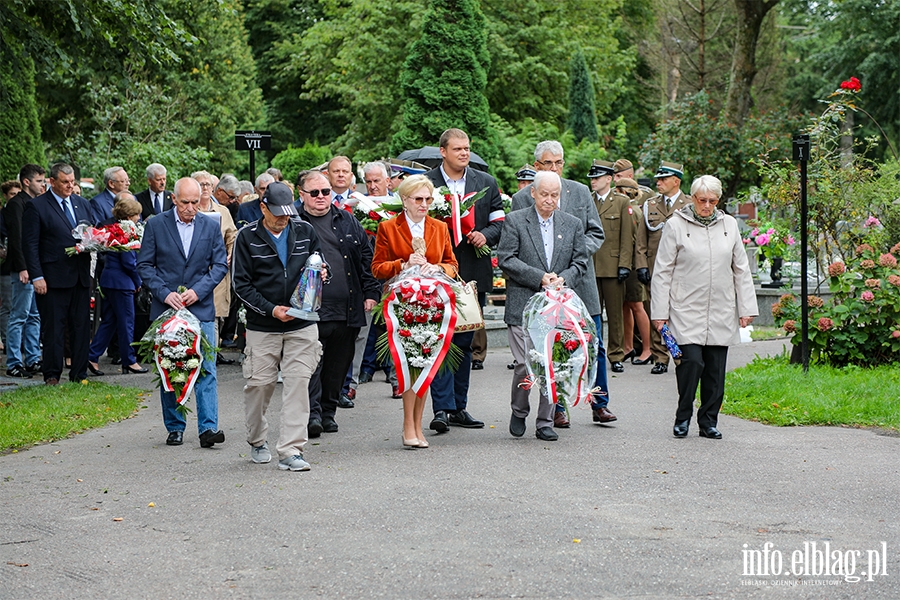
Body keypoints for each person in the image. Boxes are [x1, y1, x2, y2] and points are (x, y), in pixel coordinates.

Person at [512, 140, 616, 426]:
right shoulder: (522, 198)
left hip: (579, 281)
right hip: (543, 288)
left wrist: (574, 256)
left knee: (592, 343)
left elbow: (596, 233)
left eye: (559, 162)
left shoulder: (581, 192)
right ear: (536, 167)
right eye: (548, 163)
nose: (554, 168)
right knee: (551, 347)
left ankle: (599, 402)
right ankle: (556, 408)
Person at [650, 175, 757, 439]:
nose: (707, 206)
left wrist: (746, 308)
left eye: (712, 201)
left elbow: (741, 268)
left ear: (718, 201)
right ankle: (683, 415)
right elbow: (662, 271)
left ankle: (709, 421)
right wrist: (659, 313)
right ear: (693, 199)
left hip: (720, 307)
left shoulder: (729, 225)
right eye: (702, 200)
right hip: (686, 307)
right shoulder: (676, 225)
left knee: (715, 371)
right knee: (691, 363)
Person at [232, 182, 324, 471]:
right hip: (263, 326)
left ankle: (291, 451)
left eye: (287, 213)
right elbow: (240, 285)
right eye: (276, 213)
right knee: (259, 385)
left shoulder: (305, 231)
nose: (283, 218)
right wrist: (272, 309)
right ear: (262, 208)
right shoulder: (246, 237)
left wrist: (322, 273)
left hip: (302, 325)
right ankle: (257, 439)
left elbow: (320, 267)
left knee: (298, 384)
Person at [137, 177, 228, 448]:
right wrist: (165, 293)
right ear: (174, 199)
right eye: (185, 202)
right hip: (167, 307)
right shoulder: (155, 224)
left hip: (200, 308)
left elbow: (220, 265)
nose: (191, 207)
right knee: (171, 365)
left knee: (206, 368)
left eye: (195, 202)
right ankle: (175, 426)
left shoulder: (211, 225)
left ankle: (208, 429)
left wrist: (198, 291)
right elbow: (144, 265)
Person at [498, 171, 589, 441]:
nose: (550, 200)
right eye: (545, 194)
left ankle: (545, 421)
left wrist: (564, 278)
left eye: (555, 195)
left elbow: (581, 262)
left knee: (552, 363)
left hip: (557, 306)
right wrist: (538, 277)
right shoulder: (515, 220)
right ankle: (519, 409)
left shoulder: (571, 224)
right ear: (533, 193)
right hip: (522, 304)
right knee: (525, 364)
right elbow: (506, 258)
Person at [423, 128, 503, 433]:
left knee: (464, 341)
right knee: (440, 339)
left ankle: (459, 407)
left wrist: (486, 235)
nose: (464, 153)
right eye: (458, 149)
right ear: (443, 151)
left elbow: (498, 221)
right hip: (436, 271)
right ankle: (441, 408)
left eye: (467, 148)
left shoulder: (486, 182)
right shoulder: (427, 183)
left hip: (472, 271)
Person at [372, 174, 458, 448]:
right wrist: (402, 264)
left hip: (434, 304)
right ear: (405, 200)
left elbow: (453, 265)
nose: (424, 204)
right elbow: (377, 269)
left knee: (427, 364)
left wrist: (438, 268)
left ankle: (417, 427)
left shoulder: (440, 227)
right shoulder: (388, 227)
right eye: (418, 199)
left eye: (428, 199)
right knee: (408, 365)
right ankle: (408, 426)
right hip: (402, 305)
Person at [295, 171, 380, 437]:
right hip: (310, 310)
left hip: (347, 307)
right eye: (315, 193)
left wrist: (371, 293)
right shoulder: (294, 224)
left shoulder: (347, 221)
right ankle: (313, 414)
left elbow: (366, 259)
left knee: (337, 365)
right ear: (302, 195)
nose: (321, 197)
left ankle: (328, 411)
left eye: (326, 192)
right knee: (311, 365)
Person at [22, 163, 93, 384]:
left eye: (72, 182)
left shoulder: (82, 204)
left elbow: (92, 233)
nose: (70, 186)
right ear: (52, 182)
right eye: (65, 182)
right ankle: (52, 374)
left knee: (81, 327)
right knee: (54, 328)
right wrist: (37, 276)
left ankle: (79, 373)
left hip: (80, 276)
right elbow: (30, 244)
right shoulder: (37, 206)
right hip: (53, 277)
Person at [635, 161, 689, 375]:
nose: (659, 182)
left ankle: (681, 353)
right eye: (658, 178)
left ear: (676, 181)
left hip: (681, 269)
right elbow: (641, 241)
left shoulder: (689, 204)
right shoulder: (650, 204)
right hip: (654, 268)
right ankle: (660, 357)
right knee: (656, 312)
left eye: (663, 179)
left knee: (681, 313)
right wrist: (640, 266)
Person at [87, 194, 148, 376]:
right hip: (122, 283)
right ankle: (129, 360)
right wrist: (138, 281)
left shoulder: (114, 227)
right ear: (130, 216)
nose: (139, 219)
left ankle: (92, 355)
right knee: (127, 322)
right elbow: (129, 261)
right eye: (137, 215)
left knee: (110, 321)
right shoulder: (127, 230)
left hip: (109, 280)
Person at [588, 159, 633, 373]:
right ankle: (591, 354)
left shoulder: (622, 202)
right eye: (591, 178)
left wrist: (625, 264)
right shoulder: (587, 201)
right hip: (590, 267)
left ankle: (616, 355)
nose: (593, 181)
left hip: (613, 266)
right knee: (590, 314)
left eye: (597, 177)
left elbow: (626, 236)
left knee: (615, 316)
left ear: (608, 179)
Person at [3, 164, 45, 378]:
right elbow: (18, 238)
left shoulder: (34, 203)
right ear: (26, 182)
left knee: (34, 316)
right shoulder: (16, 204)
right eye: (39, 180)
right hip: (24, 269)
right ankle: (13, 362)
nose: (43, 184)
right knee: (19, 316)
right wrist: (23, 267)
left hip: (35, 268)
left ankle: (32, 358)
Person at [192, 171, 237, 365]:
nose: (204, 188)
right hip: (193, 273)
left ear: (213, 188)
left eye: (207, 185)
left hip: (217, 272)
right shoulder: (187, 210)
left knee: (216, 315)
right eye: (200, 184)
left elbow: (232, 236)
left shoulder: (222, 211)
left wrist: (230, 254)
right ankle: (195, 352)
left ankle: (211, 354)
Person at [613, 177, 653, 366]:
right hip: (627, 264)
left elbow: (632, 239)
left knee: (637, 307)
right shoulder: (632, 208)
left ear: (624, 192)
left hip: (633, 265)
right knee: (626, 306)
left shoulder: (632, 210)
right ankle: (628, 347)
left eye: (617, 190)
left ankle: (647, 348)